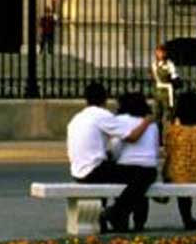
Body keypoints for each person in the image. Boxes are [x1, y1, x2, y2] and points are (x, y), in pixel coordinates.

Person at [63, 80, 147, 233]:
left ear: (86, 100)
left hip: (77, 171)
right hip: (93, 170)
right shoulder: (102, 115)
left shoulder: (76, 118)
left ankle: (104, 219)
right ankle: (118, 211)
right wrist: (147, 122)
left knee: (110, 170)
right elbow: (132, 136)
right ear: (105, 99)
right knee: (143, 174)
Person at [161, 90, 196, 230]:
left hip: (179, 176)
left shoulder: (173, 131)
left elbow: (168, 152)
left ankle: (187, 217)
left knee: (178, 172)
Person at [110, 91, 161, 231]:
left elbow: (116, 145)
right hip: (148, 168)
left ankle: (119, 216)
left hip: (125, 166)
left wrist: (115, 158)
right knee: (141, 191)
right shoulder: (151, 124)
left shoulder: (120, 120)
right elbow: (155, 149)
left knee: (128, 186)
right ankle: (140, 221)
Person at [150, 45, 180, 120]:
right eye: (158, 52)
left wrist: (174, 81)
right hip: (157, 92)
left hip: (167, 92)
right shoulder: (154, 64)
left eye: (161, 52)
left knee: (169, 114)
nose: (160, 54)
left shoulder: (169, 64)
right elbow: (153, 77)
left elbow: (174, 76)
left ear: (165, 53)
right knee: (157, 114)